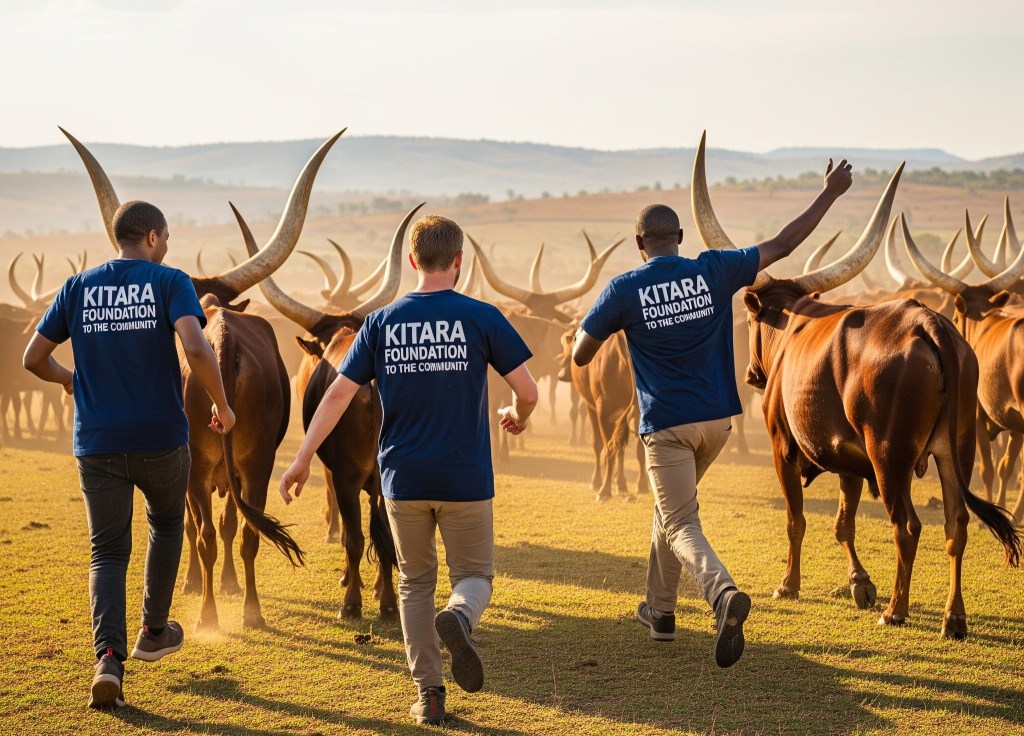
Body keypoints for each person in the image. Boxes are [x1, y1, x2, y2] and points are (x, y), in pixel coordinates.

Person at [572, 159, 854, 668]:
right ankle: (659, 613)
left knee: (680, 521)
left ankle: (722, 594)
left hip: (667, 427)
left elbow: (580, 357)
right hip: (718, 425)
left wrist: (600, 327)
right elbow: (785, 243)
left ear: (640, 245)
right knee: (669, 508)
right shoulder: (714, 268)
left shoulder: (624, 289)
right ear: (679, 237)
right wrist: (830, 193)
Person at [279, 214, 537, 725]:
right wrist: (517, 414)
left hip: (402, 479)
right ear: (459, 262)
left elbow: (335, 394)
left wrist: (304, 457)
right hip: (465, 477)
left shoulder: (380, 324)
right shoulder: (482, 318)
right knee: (474, 575)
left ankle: (430, 696)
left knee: (415, 584)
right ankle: (460, 616)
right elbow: (527, 391)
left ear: (412, 261)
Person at [23, 200, 236, 708]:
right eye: (167, 239)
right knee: (166, 526)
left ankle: (109, 661)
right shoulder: (169, 281)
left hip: (96, 442)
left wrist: (72, 378)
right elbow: (198, 347)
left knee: (108, 551)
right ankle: (155, 630)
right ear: (155, 237)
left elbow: (32, 358)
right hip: (161, 437)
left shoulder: (76, 288)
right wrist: (223, 407)